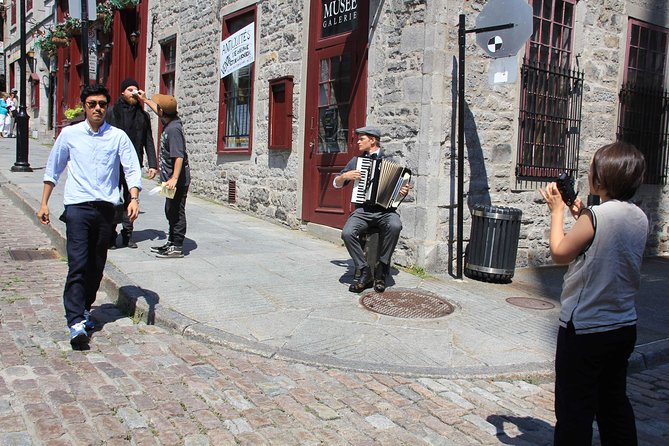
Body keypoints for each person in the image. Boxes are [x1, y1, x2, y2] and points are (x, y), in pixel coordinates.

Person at [539, 141, 647, 445]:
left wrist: (557, 211)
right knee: (613, 403)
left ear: (602, 178)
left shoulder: (596, 217)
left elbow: (560, 252)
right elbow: (604, 243)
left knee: (575, 409)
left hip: (586, 328)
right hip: (623, 325)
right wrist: (582, 214)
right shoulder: (638, 217)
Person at [37, 84, 142, 348]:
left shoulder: (117, 136)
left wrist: (134, 197)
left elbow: (131, 166)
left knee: (96, 265)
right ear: (84, 106)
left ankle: (83, 309)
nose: (97, 108)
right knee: (78, 264)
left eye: (102, 104)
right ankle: (75, 322)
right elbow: (54, 167)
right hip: (78, 208)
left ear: (107, 107)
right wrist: (43, 203)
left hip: (106, 209)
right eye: (92, 104)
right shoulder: (70, 134)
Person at [333, 126, 410, 293]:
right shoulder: (356, 161)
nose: (358, 141)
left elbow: (400, 190)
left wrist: (403, 191)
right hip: (363, 210)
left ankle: (382, 269)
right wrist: (344, 177)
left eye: (362, 139)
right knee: (347, 233)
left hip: (385, 211)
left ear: (373, 140)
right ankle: (365, 269)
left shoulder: (391, 161)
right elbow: (336, 183)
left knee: (395, 225)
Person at [106, 78, 157, 249]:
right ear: (122, 92)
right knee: (113, 199)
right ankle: (111, 235)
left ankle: (127, 234)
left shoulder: (143, 115)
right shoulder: (111, 112)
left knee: (131, 198)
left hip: (133, 163)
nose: (133, 92)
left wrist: (153, 164)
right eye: (129, 89)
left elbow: (148, 140)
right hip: (113, 163)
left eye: (136, 89)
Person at [139, 92, 190, 258]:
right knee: (170, 210)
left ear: (163, 112)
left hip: (176, 181)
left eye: (158, 107)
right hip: (168, 181)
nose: (157, 109)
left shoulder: (174, 129)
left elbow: (179, 156)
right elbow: (158, 110)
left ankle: (177, 246)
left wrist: (174, 178)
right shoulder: (169, 121)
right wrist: (145, 99)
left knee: (176, 211)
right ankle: (171, 242)